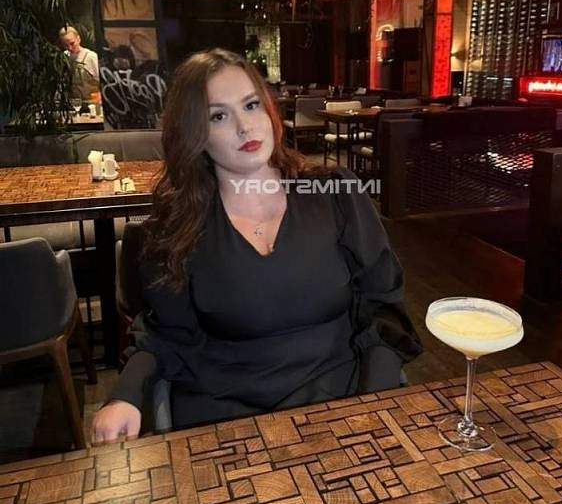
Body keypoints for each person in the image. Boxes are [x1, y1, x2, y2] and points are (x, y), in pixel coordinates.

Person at [91, 49, 421, 443]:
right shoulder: (176, 228)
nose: (244, 126)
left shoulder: (336, 194)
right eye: (218, 116)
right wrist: (125, 397)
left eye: (250, 105)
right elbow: (166, 334)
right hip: (225, 415)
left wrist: (375, 401)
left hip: (341, 400)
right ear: (194, 134)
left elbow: (383, 307)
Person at [59, 25, 100, 100]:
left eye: (72, 43)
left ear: (78, 39)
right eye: (66, 45)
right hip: (73, 102)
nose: (70, 48)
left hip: (91, 102)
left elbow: (101, 82)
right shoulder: (65, 56)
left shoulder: (91, 57)